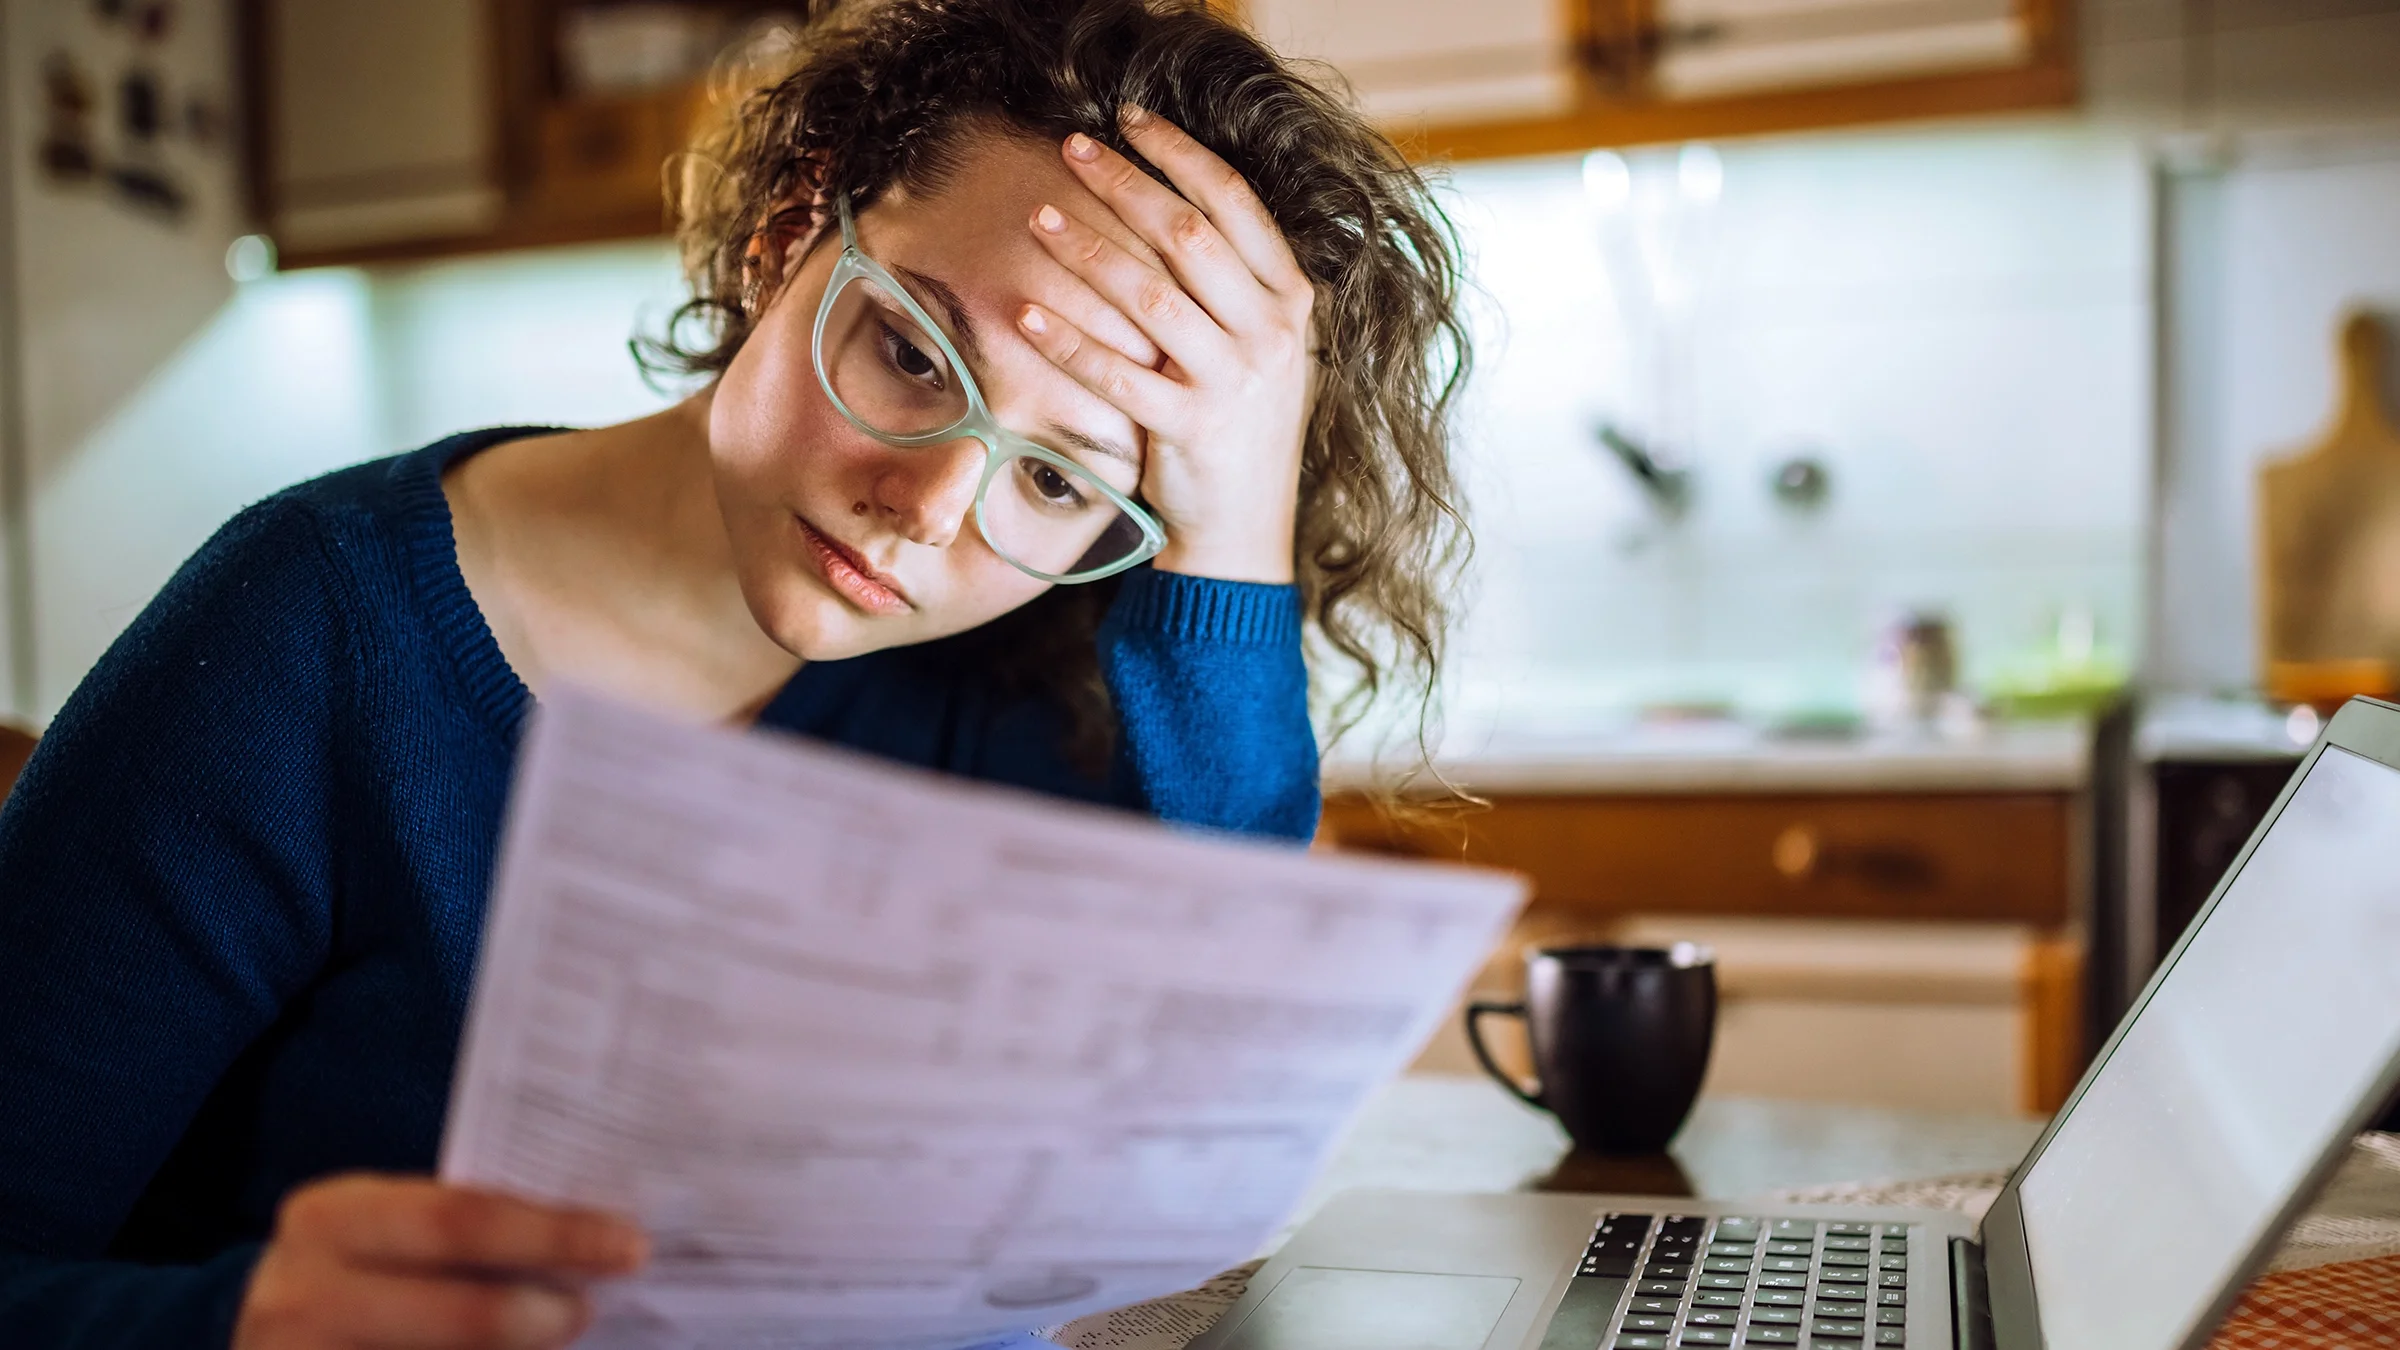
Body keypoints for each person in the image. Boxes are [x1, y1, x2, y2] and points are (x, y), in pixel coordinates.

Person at [0, 0, 1470, 1345]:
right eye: (907, 352)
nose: (929, 510)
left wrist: (1229, 538)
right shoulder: (306, 633)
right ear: (785, 231)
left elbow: (1206, 1080)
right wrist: (235, 1324)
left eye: (1057, 485)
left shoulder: (1018, 689)